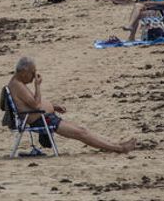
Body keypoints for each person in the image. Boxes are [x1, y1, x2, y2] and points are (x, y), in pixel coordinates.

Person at [7, 57, 136, 153]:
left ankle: (116, 144)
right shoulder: (18, 85)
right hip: (42, 121)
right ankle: (119, 148)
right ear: (24, 71)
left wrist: (53, 106)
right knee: (81, 133)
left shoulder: (17, 83)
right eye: (32, 72)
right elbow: (35, 105)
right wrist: (37, 86)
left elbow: (31, 103)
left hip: (45, 118)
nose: (34, 76)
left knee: (82, 130)